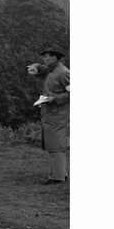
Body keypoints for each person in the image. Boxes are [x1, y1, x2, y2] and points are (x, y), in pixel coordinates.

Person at [26, 45, 70, 184]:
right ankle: (61, 173)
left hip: (58, 114)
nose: (43, 59)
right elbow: (42, 69)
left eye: (46, 56)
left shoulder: (63, 73)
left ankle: (56, 178)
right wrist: (35, 67)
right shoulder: (52, 69)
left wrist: (54, 99)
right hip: (50, 113)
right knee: (52, 143)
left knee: (55, 145)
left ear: (54, 57)